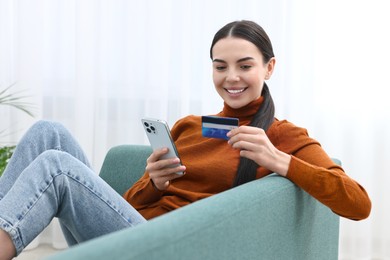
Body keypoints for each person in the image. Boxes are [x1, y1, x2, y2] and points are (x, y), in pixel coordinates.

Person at [0, 20, 371, 259]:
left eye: (245, 65)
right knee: (48, 133)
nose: (232, 78)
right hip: (126, 233)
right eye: (220, 66)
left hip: (166, 245)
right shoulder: (190, 126)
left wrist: (280, 161)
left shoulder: (281, 135)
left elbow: (358, 203)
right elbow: (132, 203)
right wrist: (153, 182)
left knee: (57, 168)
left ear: (268, 67)